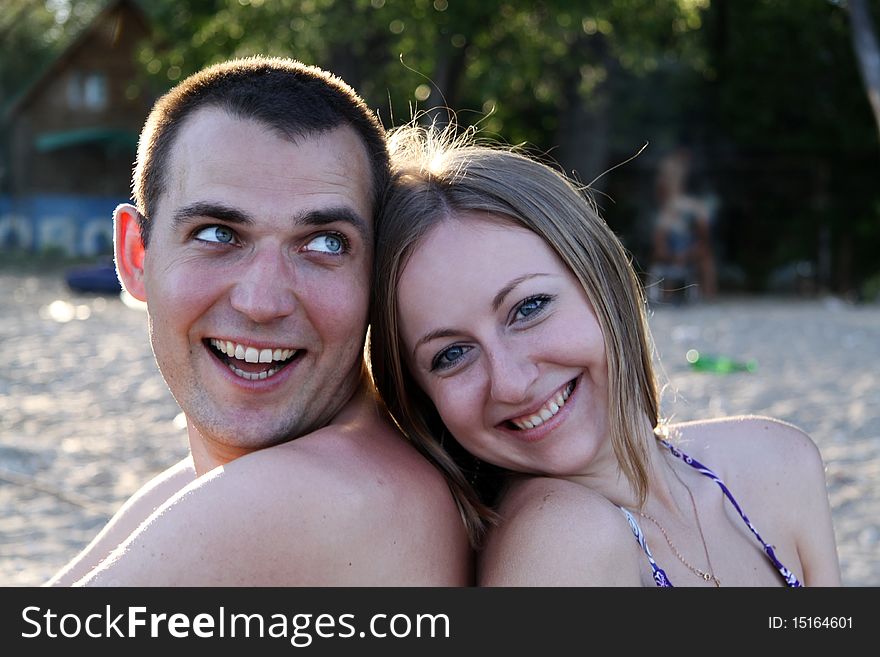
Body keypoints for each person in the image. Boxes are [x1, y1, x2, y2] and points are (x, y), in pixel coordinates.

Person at [46, 57, 470, 586]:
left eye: (324, 244)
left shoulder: (298, 497)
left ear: (378, 277)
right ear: (136, 256)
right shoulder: (195, 491)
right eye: (217, 234)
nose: (261, 301)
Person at [369, 125, 841, 586]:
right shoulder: (562, 541)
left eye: (528, 308)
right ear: (420, 397)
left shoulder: (779, 460)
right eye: (451, 355)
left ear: (603, 283)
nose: (511, 382)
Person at [647, 148, 717, 302]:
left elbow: (703, 236)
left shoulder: (691, 206)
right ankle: (666, 294)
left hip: (689, 248)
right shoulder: (663, 211)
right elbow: (660, 240)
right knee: (661, 254)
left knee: (704, 256)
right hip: (672, 248)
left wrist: (688, 252)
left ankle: (707, 295)